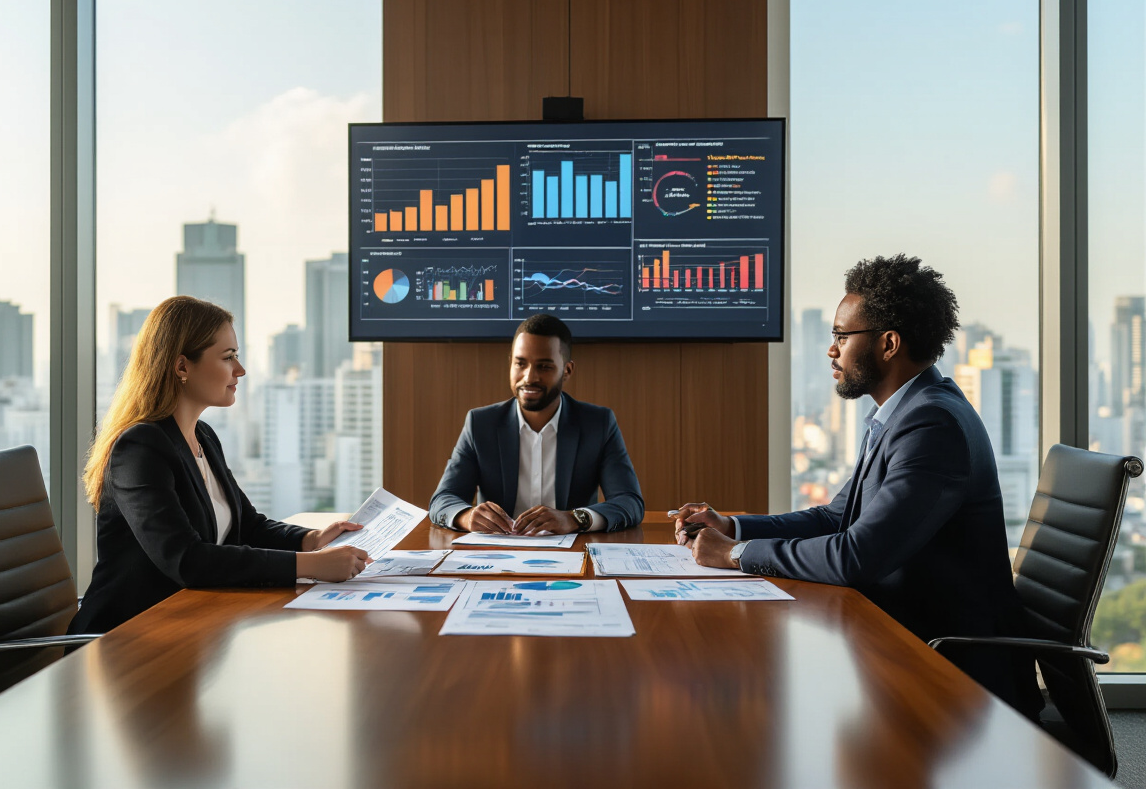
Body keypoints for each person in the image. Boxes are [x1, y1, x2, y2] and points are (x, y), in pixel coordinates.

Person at [673, 255, 1043, 718]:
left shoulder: (933, 425)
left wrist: (733, 556)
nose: (831, 350)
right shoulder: (906, 414)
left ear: (888, 343)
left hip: (951, 672)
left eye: (842, 337)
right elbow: (836, 517)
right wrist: (733, 526)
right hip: (904, 640)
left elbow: (857, 555)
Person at [69, 296, 369, 634]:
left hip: (192, 625)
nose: (240, 370)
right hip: (127, 638)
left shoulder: (202, 436)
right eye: (228, 358)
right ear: (182, 367)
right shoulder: (138, 448)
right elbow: (186, 560)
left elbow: (248, 526)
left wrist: (311, 540)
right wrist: (310, 565)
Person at [429, 314, 644, 535]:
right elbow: (442, 500)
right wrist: (467, 516)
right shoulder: (480, 424)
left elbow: (629, 502)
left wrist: (574, 518)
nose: (529, 377)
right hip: (497, 555)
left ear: (567, 370)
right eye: (520, 364)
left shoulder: (598, 424)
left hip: (571, 554)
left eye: (544, 366)